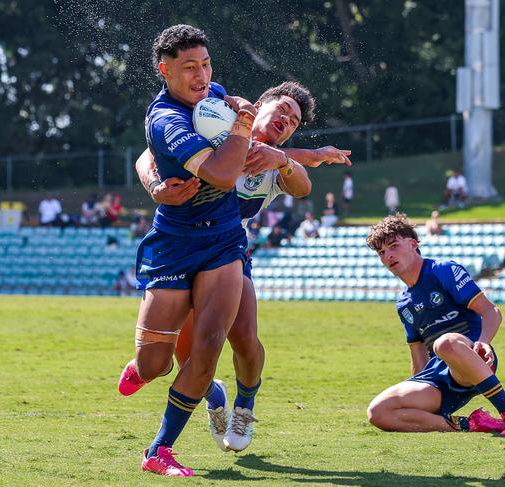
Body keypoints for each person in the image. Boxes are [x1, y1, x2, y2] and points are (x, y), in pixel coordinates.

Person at [122, 79, 351, 456]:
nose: (286, 120)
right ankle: (215, 397)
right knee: (187, 357)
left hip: (229, 254)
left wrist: (287, 159)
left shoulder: (275, 162)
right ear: (258, 105)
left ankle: (244, 406)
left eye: (293, 121)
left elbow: (303, 186)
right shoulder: (213, 120)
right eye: (282, 110)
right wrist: (154, 186)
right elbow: (148, 154)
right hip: (181, 248)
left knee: (243, 338)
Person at [122, 25, 257, 477]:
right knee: (155, 362)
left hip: (222, 240)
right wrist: (242, 126)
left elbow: (223, 104)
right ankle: (157, 371)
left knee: (208, 346)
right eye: (188, 68)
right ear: (165, 71)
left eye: (205, 64)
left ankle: (158, 451)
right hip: (174, 246)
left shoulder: (210, 93)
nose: (201, 76)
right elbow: (220, 174)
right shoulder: (166, 121)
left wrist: (236, 107)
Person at [365, 213, 505, 434]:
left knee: (444, 343)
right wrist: (414, 390)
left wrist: (484, 342)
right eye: (382, 252)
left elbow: (491, 311)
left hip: (472, 358)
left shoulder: (443, 271)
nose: (388, 255)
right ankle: (471, 424)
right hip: (439, 381)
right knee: (377, 412)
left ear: (413, 244)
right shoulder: (403, 303)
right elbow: (418, 355)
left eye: (393, 246)